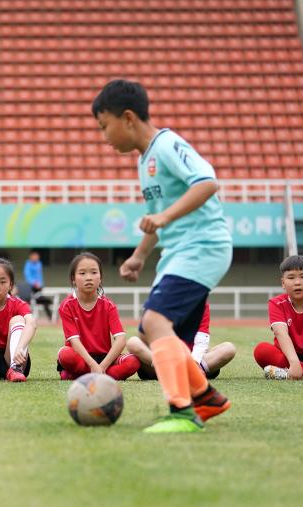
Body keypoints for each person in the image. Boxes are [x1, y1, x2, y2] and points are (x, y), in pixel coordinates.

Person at [94, 78, 232, 432]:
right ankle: (206, 398)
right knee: (161, 332)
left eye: (104, 126)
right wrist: (140, 255)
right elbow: (158, 217)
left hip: (203, 246)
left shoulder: (167, 144)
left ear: (127, 118)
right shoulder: (145, 161)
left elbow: (207, 183)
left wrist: (166, 217)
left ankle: (182, 412)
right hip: (179, 251)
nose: (104, 137)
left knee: (153, 324)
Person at [56, 252, 139, 381]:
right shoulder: (67, 305)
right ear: (73, 278)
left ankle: (82, 375)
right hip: (80, 357)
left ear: (100, 277)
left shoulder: (108, 305)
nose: (88, 277)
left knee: (133, 361)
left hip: (105, 358)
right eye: (82, 273)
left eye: (94, 272)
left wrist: (102, 366)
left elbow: (121, 339)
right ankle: (99, 375)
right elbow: (74, 342)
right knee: (65, 354)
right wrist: (92, 365)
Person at [128, 303, 236, 380]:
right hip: (162, 361)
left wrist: (194, 363)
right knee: (133, 342)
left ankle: (185, 372)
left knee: (229, 348)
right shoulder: (163, 299)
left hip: (190, 361)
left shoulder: (202, 304)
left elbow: (202, 339)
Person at [23, 249, 53, 320]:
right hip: (30, 288)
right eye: (35, 255)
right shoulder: (28, 264)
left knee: (46, 302)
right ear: (31, 256)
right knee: (27, 302)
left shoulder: (39, 263)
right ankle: (27, 317)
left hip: (38, 288)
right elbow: (28, 276)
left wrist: (40, 284)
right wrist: (34, 283)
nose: (36, 257)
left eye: (37, 256)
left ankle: (51, 318)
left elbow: (40, 276)